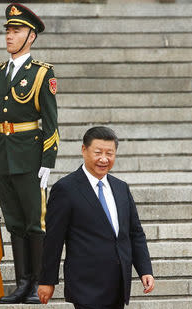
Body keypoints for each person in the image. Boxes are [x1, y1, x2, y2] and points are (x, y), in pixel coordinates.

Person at [0, 2, 59, 304]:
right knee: (13, 219)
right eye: (8, 31)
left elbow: (51, 121)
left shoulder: (42, 73)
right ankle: (22, 283)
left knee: (34, 221)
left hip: (29, 155)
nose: (9, 36)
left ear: (31, 36)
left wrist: (48, 161)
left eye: (16, 31)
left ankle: (39, 284)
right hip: (3, 155)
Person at [38, 127, 154, 309]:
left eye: (110, 153)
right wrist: (47, 280)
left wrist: (145, 270)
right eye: (98, 152)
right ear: (84, 150)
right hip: (86, 285)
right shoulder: (66, 189)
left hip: (118, 284)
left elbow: (135, 233)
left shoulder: (121, 188)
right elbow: (53, 238)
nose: (104, 159)